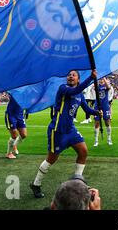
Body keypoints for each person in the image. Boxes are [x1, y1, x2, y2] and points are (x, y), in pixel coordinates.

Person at [30, 69, 101, 199]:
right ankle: (36, 183)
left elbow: (86, 109)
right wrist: (91, 78)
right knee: (51, 159)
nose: (70, 76)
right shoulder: (63, 88)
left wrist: (96, 112)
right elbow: (73, 91)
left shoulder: (80, 95)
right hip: (58, 130)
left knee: (83, 151)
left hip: (70, 130)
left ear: (78, 79)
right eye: (69, 75)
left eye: (73, 75)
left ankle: (78, 182)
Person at [5, 94, 27, 159]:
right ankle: (9, 153)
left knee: (24, 135)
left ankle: (14, 144)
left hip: (20, 114)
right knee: (14, 135)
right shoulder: (15, 90)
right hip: (11, 114)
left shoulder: (27, 91)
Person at [93, 77, 113, 147]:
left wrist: (104, 78)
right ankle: (96, 140)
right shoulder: (97, 85)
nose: (101, 80)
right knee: (97, 123)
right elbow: (94, 88)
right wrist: (97, 80)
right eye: (100, 79)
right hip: (97, 106)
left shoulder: (106, 86)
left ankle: (109, 139)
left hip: (105, 106)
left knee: (107, 122)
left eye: (102, 79)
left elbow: (109, 87)